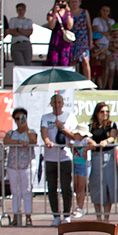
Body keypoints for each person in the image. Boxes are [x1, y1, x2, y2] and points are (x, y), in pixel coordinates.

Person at [40, 93, 78, 226]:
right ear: (51, 104)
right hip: (51, 157)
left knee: (66, 186)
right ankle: (56, 215)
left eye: (59, 103)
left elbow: (74, 136)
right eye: (54, 103)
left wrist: (62, 127)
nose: (57, 105)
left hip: (65, 156)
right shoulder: (46, 117)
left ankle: (67, 214)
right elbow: (43, 131)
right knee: (52, 187)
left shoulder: (70, 117)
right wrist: (46, 140)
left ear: (62, 104)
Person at [3, 107, 36, 226]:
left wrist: (25, 128)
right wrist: (19, 142)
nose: (20, 121)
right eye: (17, 118)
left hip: (27, 165)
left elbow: (33, 141)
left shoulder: (31, 131)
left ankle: (28, 216)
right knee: (15, 191)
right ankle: (16, 215)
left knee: (27, 191)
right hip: (13, 165)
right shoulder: (11, 133)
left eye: (22, 118)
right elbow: (6, 141)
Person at [87, 102, 118, 222]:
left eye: (106, 111)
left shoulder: (111, 125)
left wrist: (106, 141)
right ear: (97, 113)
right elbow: (87, 138)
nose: (105, 114)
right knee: (97, 186)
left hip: (108, 155)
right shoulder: (91, 126)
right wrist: (90, 143)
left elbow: (113, 137)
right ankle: (98, 217)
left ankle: (106, 217)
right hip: (96, 156)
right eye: (102, 111)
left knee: (108, 185)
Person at [66, 0, 92, 80]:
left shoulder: (84, 12)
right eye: (72, 2)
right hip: (72, 39)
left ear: (79, 3)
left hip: (83, 38)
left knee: (85, 60)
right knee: (73, 61)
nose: (74, 3)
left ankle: (88, 82)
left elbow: (89, 27)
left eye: (76, 2)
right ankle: (72, 81)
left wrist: (90, 41)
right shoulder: (68, 13)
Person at [70, 123, 91, 218]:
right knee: (76, 186)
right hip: (75, 164)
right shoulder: (75, 142)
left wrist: (86, 150)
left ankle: (80, 207)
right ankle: (77, 206)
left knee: (81, 187)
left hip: (84, 165)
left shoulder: (86, 140)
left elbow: (93, 144)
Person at [92, 4, 114, 84]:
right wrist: (106, 33)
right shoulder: (96, 20)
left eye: (107, 11)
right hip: (99, 43)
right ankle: (98, 83)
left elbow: (112, 33)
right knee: (98, 65)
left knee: (106, 65)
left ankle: (105, 84)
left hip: (107, 44)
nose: (105, 12)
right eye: (104, 10)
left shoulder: (111, 21)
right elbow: (96, 31)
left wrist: (108, 23)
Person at [6, 2, 33, 66]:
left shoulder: (28, 21)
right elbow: (11, 32)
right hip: (16, 43)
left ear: (25, 10)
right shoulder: (13, 20)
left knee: (27, 64)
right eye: (19, 10)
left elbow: (29, 32)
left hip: (26, 43)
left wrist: (18, 30)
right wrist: (24, 32)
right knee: (20, 64)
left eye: (22, 10)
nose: (21, 12)